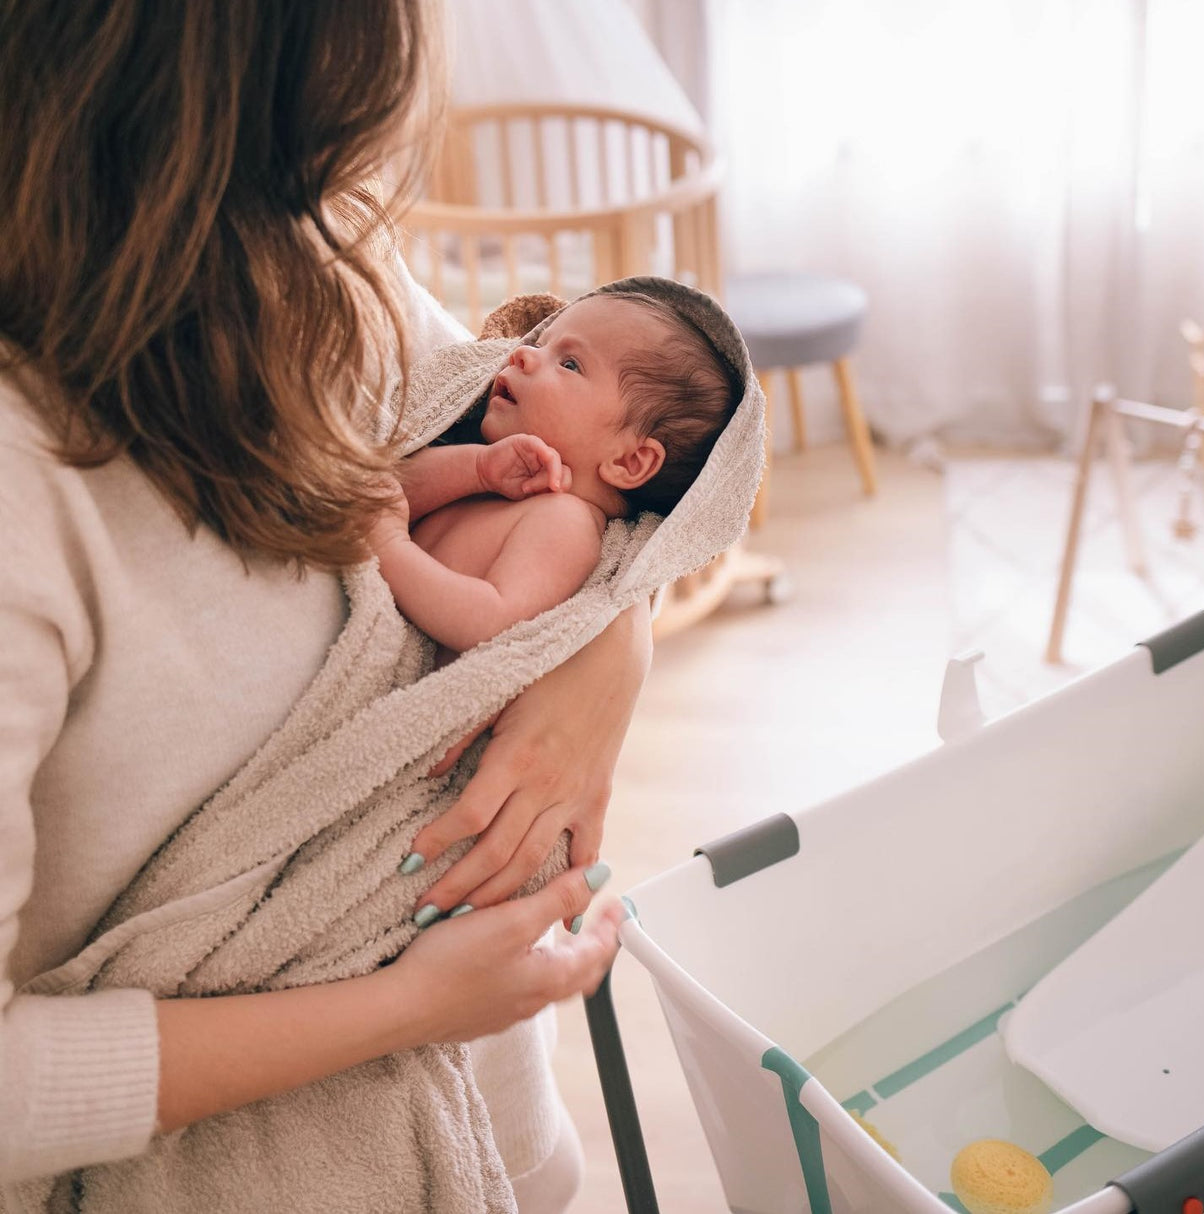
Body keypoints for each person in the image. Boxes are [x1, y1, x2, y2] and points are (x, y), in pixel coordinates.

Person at [0, 3, 649, 1210]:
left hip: (491, 1110)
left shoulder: (314, 246)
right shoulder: (29, 488)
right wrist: (409, 1005)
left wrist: (603, 642)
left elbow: (562, 460)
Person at [369, 291, 742, 656]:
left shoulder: (566, 522)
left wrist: (390, 547)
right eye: (542, 344)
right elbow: (381, 492)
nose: (523, 354)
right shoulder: (493, 468)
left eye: (569, 364)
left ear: (629, 462)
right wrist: (477, 469)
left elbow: (490, 622)